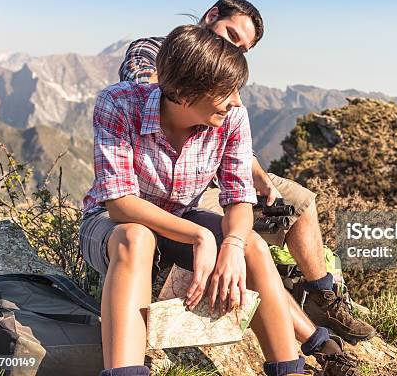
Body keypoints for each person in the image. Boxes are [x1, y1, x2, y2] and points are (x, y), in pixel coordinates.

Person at [119, 0, 376, 346]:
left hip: (219, 170)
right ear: (210, 15)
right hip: (176, 184)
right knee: (243, 245)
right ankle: (312, 341)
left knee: (299, 200)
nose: (234, 48)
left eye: (242, 48)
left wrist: (256, 175)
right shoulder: (156, 52)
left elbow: (228, 126)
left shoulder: (226, 73)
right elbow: (152, 94)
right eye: (231, 34)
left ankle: (323, 297)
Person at [80, 25, 310, 376]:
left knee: (252, 246)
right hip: (113, 225)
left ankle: (289, 369)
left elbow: (238, 200)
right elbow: (120, 204)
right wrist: (199, 235)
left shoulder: (232, 118)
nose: (236, 100)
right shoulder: (120, 104)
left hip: (180, 216)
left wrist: (231, 244)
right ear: (185, 92)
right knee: (136, 238)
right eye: (226, 91)